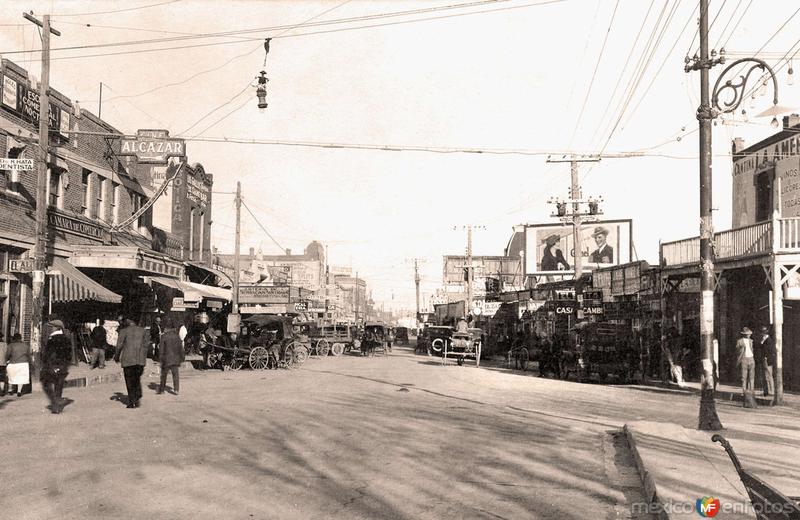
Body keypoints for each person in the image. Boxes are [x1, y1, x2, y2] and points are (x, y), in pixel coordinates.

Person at [114, 317, 149, 409]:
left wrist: (116, 356)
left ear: (128, 320)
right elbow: (146, 346)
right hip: (140, 360)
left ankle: (132, 401)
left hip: (128, 360)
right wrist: (143, 357)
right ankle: (137, 396)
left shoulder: (124, 331)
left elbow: (119, 345)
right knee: (136, 378)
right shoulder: (143, 331)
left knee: (129, 381)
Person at [40, 320, 73, 414]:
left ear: (56, 328)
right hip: (62, 366)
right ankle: (57, 405)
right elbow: (69, 355)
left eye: (52, 327)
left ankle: (55, 404)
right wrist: (64, 365)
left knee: (46, 383)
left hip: (52, 365)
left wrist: (48, 364)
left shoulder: (52, 339)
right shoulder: (66, 339)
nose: (51, 328)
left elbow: (49, 354)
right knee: (59, 386)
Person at [157, 319, 184, 395]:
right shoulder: (177, 336)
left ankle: (162, 390)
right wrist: (182, 357)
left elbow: (161, 349)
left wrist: (160, 358)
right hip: (175, 359)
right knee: (175, 374)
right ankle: (176, 390)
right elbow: (180, 348)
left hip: (166, 358)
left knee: (164, 375)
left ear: (166, 328)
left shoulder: (164, 336)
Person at [735, 327, 756, 401]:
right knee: (744, 377)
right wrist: (741, 349)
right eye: (747, 334)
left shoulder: (751, 341)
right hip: (744, 359)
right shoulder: (739, 341)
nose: (749, 335)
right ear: (744, 334)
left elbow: (753, 349)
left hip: (751, 358)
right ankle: (744, 391)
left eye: (749, 334)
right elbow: (737, 351)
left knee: (752, 376)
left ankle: (752, 391)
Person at [756, 325, 776, 397]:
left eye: (762, 332)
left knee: (768, 375)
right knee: (765, 375)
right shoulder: (763, 340)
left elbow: (770, 351)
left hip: (767, 359)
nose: (761, 334)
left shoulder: (768, 340)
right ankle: (766, 391)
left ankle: (771, 391)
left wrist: (766, 357)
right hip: (764, 359)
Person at [0, 332, 8, 396]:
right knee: (2, 377)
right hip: (2, 363)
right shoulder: (5, 344)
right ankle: (2, 389)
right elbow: (7, 354)